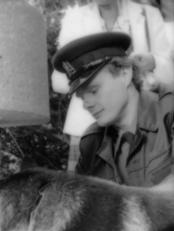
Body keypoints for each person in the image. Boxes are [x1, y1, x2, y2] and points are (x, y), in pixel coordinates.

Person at [53, 32, 174, 186]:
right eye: (82, 97)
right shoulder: (91, 143)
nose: (86, 104)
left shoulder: (169, 112)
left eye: (94, 91)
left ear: (124, 73)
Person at [52, 0, 174, 139]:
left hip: (143, 123)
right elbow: (58, 81)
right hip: (89, 130)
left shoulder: (148, 14)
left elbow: (170, 75)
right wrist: (95, 76)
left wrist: (153, 62)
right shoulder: (75, 19)